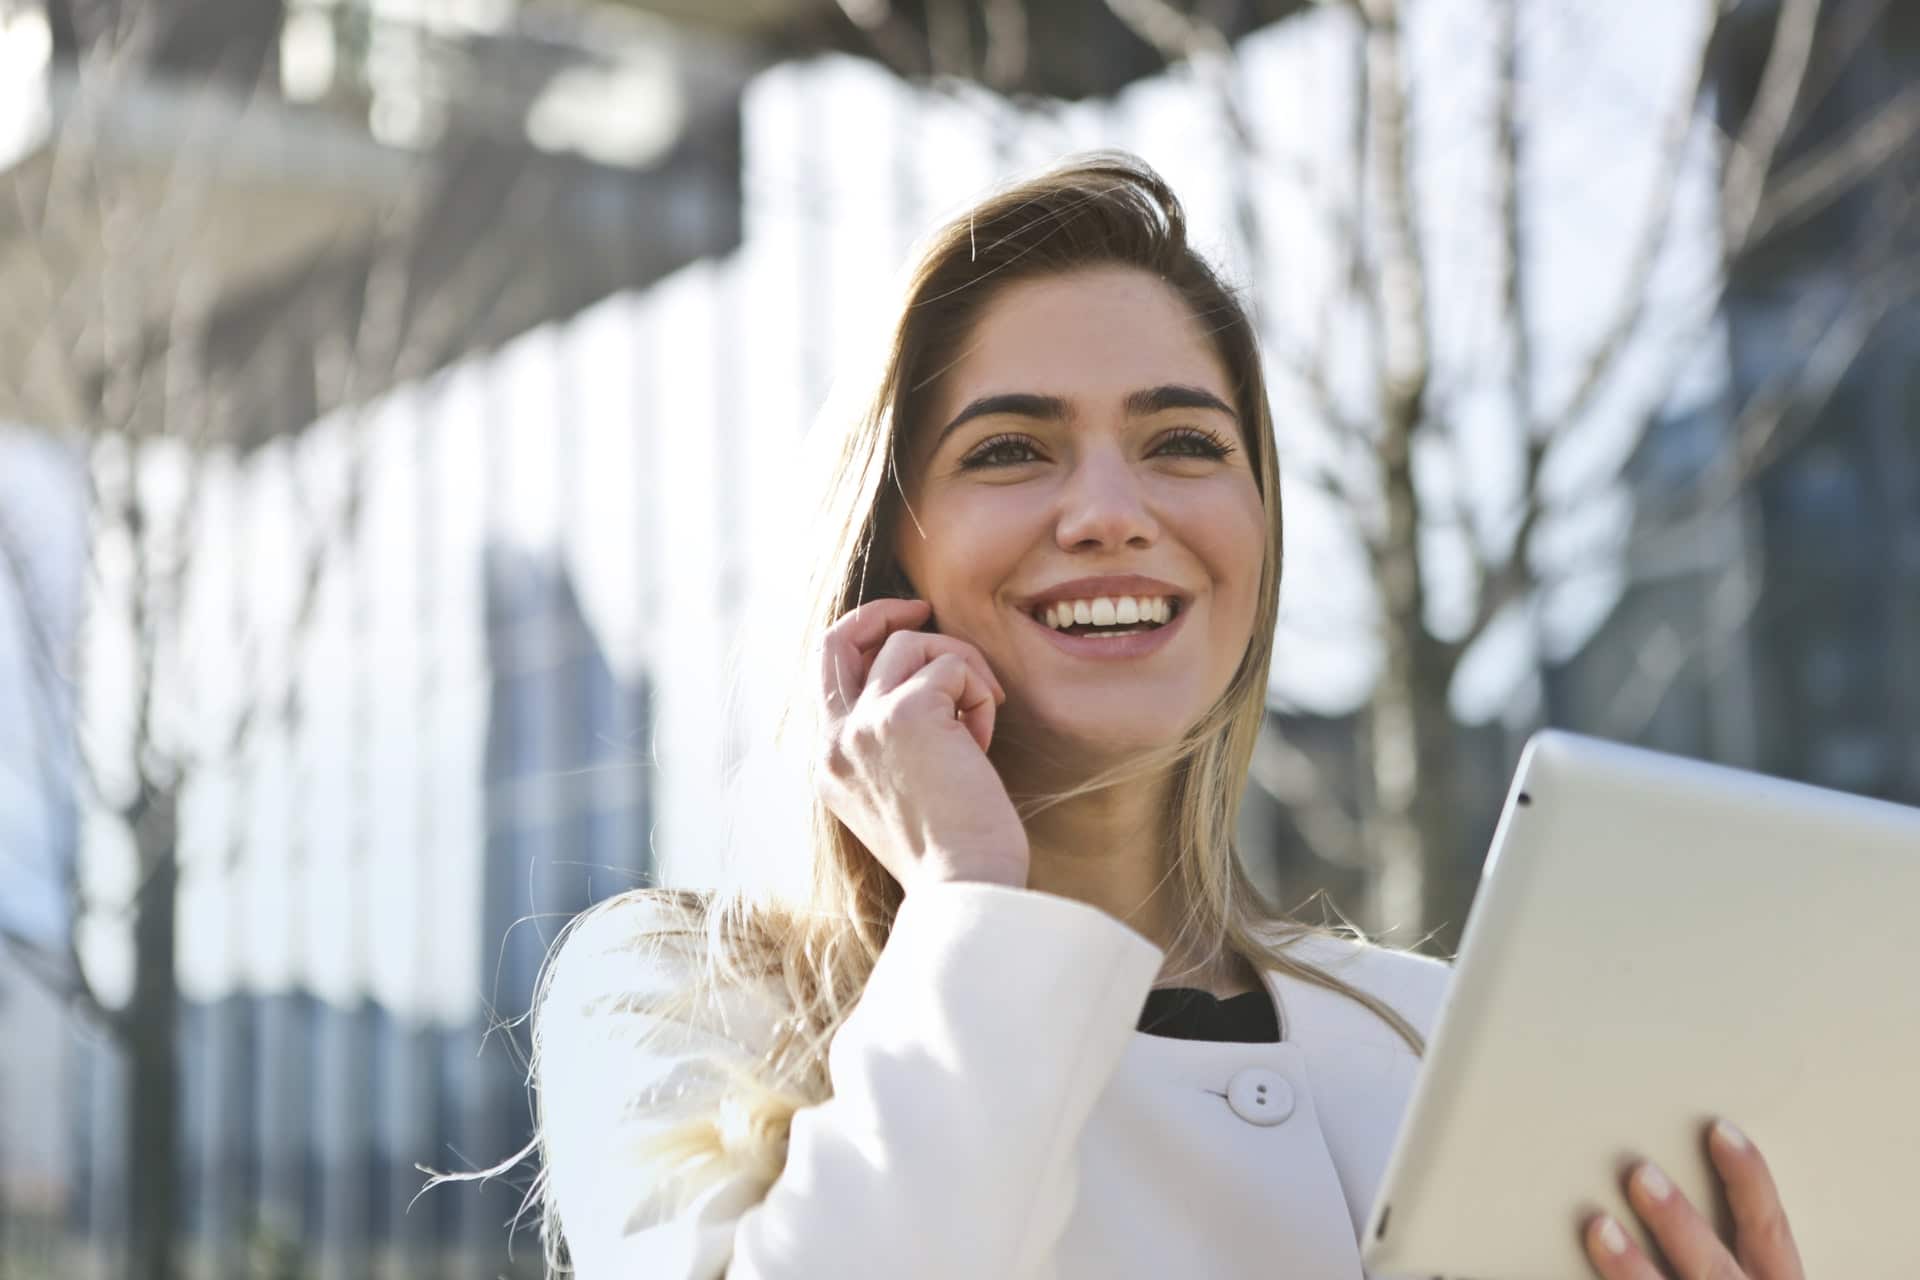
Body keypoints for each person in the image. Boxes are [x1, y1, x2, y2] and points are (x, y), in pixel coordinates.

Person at [527, 155, 1805, 1280]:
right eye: (1011, 449)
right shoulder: (673, 996)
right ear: (884, 555)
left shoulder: (1434, 1033)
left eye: (1185, 442)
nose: (1110, 510)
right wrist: (975, 897)